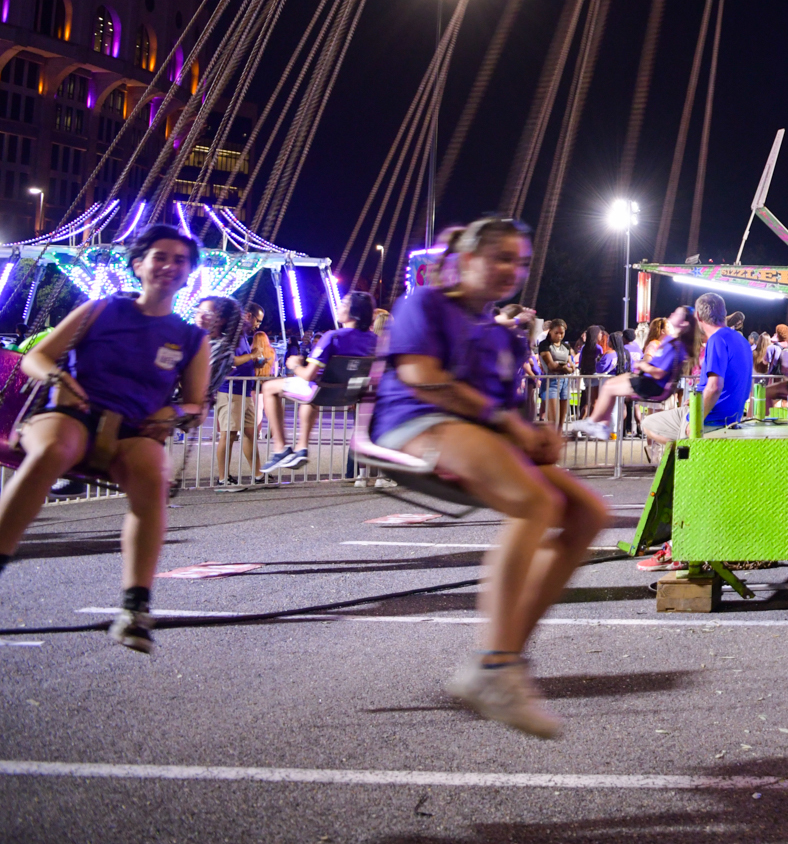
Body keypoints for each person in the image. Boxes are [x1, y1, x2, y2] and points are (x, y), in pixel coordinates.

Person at [370, 217, 609, 738]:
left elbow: (505, 412)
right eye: (500, 256)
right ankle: (499, 667)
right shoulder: (426, 304)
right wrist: (507, 424)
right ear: (467, 258)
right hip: (417, 421)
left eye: (520, 262)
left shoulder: (499, 337)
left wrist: (538, 431)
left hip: (475, 433)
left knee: (589, 514)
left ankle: (500, 658)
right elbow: (421, 377)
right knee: (534, 503)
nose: (511, 269)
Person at [0, 225, 211, 653]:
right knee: (54, 451)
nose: (170, 265)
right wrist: (58, 376)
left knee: (154, 476)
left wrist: (172, 414)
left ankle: (135, 607)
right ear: (138, 265)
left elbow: (195, 404)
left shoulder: (192, 338)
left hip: (133, 429)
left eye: (180, 260)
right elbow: (37, 358)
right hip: (74, 412)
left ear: (189, 273)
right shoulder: (100, 311)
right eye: (160, 256)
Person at [257, 292, 378, 475]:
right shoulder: (375, 340)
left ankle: (280, 448)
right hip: (351, 393)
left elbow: (308, 375)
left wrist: (295, 365)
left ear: (355, 312)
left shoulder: (333, 336)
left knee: (269, 387)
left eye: (344, 304)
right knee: (310, 398)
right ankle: (301, 448)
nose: (339, 306)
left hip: (320, 390)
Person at [567, 311, 693, 441]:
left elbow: (659, 372)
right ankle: (600, 424)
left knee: (610, 386)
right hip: (651, 382)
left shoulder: (675, 345)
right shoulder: (670, 342)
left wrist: (643, 366)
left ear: (684, 323)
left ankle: (598, 424)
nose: (672, 314)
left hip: (652, 385)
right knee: (612, 386)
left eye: (677, 314)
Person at [210, 304, 274, 489]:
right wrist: (252, 355)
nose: (258, 325)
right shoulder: (230, 334)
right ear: (248, 316)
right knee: (228, 435)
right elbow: (231, 360)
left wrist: (256, 360)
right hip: (230, 390)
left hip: (245, 391)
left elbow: (243, 360)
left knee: (250, 434)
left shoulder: (243, 336)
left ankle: (258, 474)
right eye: (258, 320)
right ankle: (223, 478)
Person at [697, 293, 753, 429]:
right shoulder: (743, 341)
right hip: (734, 415)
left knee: (650, 424)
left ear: (698, 316)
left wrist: (695, 420)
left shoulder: (717, 339)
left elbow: (714, 387)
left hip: (712, 417)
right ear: (725, 313)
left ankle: (684, 447)